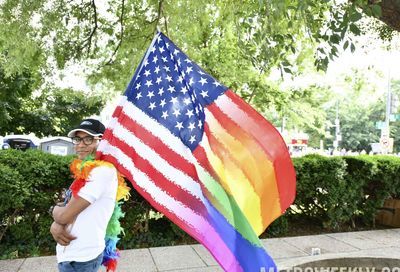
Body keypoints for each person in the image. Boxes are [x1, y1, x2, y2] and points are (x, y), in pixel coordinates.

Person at [50, 118, 130, 272]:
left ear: (102, 141)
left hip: (82, 259)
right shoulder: (87, 169)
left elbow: (63, 215)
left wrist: (54, 214)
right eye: (78, 139)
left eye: (88, 139)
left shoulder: (102, 172)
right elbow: (68, 205)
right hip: (72, 255)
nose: (80, 144)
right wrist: (57, 221)